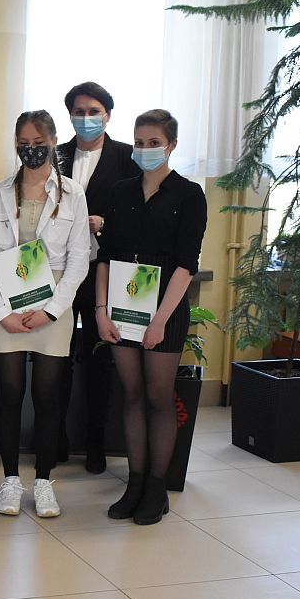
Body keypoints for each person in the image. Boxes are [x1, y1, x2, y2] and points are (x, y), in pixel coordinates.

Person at [95, 109, 206, 525]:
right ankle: (135, 483)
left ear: (171, 145)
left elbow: (186, 264)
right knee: (132, 394)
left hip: (166, 308)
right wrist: (101, 311)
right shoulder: (120, 192)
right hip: (123, 305)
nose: (145, 150)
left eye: (153, 143)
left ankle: (157, 488)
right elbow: (106, 257)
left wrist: (159, 321)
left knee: (159, 396)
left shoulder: (189, 194)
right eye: (139, 143)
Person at [0, 111, 91, 517]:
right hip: (8, 300)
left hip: (53, 302)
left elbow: (79, 259)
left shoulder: (73, 194)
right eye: (23, 143)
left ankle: (43, 482)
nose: (30, 150)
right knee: (9, 394)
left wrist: (53, 311)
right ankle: (10, 481)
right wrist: (0, 311)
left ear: (54, 141)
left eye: (38, 142)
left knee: (47, 396)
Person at [55, 82, 140, 474]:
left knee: (98, 358)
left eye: (94, 111)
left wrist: (106, 223)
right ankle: (55, 438)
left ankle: (95, 443)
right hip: (59, 271)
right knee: (56, 356)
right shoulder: (55, 154)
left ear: (108, 115)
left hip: (103, 272)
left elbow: (140, 213)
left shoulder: (127, 157)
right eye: (79, 111)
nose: (86, 118)